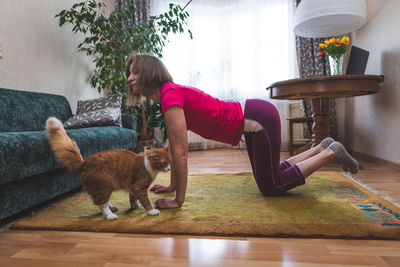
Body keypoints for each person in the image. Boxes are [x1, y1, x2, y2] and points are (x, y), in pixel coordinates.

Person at [125, 54, 359, 209]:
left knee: (271, 186)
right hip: (254, 119)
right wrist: (172, 185)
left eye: (134, 72)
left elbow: (180, 153)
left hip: (258, 118)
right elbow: (175, 150)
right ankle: (322, 146)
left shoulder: (170, 95)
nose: (129, 77)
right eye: (129, 72)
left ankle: (330, 154)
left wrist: (178, 199)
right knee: (271, 174)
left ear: (148, 72)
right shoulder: (168, 95)